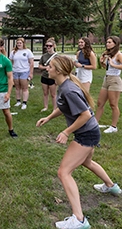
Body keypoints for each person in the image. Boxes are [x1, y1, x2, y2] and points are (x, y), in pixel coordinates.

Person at [36, 55, 121, 229]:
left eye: (50, 66)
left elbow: (86, 115)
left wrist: (66, 132)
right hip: (90, 131)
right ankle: (111, 186)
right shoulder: (64, 85)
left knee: (63, 172)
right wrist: (49, 117)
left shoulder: (68, 89)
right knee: (87, 162)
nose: (47, 68)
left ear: (58, 70)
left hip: (86, 134)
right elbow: (63, 106)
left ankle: (80, 220)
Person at [95, 36, 122, 133]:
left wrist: (112, 64)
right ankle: (95, 124)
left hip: (115, 80)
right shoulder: (108, 54)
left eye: (109, 42)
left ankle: (114, 127)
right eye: (107, 42)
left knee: (113, 104)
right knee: (100, 103)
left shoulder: (118, 54)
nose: (107, 43)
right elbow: (106, 67)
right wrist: (102, 62)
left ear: (115, 43)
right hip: (106, 79)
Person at [9, 37, 34, 110]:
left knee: (24, 87)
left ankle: (24, 102)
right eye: (17, 43)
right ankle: (18, 101)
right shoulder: (13, 52)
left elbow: (31, 63)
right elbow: (11, 61)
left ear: (23, 43)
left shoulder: (27, 51)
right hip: (15, 71)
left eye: (20, 43)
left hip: (24, 71)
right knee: (17, 87)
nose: (19, 44)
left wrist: (31, 73)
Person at [38, 38, 57, 112]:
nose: (48, 47)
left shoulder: (56, 56)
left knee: (53, 94)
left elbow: (59, 68)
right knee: (45, 93)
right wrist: (45, 67)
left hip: (53, 77)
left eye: (50, 46)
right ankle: (45, 107)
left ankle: (55, 108)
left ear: (54, 46)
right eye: (47, 46)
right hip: (44, 76)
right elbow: (40, 66)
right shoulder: (44, 56)